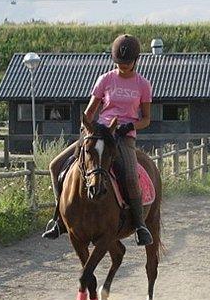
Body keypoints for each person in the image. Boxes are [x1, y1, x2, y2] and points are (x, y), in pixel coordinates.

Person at [42, 33, 154, 246]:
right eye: (120, 62)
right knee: (55, 165)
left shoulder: (143, 85)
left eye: (127, 62)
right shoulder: (105, 79)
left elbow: (146, 119)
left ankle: (140, 226)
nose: (123, 66)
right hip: (100, 133)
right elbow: (90, 111)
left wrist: (130, 125)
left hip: (124, 138)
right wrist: (89, 130)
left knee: (130, 177)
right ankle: (59, 219)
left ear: (136, 60)